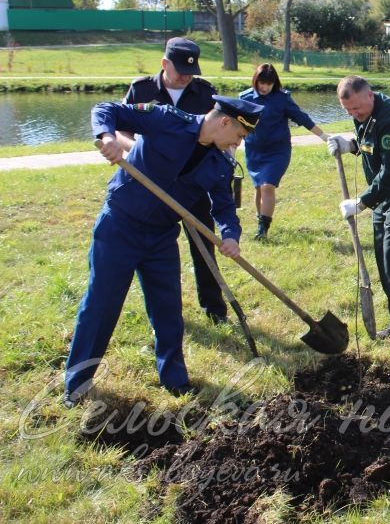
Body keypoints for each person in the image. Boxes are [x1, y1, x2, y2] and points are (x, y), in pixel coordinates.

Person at [63, 96, 262, 407]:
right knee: (101, 306)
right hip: (120, 227)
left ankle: (174, 379)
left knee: (168, 310)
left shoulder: (220, 164)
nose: (238, 143)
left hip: (161, 238)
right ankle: (76, 385)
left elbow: (224, 207)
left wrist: (230, 236)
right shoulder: (168, 120)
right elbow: (106, 109)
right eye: (239, 136)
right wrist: (107, 136)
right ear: (225, 121)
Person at [122, 37, 229, 325]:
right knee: (150, 248)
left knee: (204, 242)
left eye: (190, 71)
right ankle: (161, 311)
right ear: (164, 63)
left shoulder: (206, 94)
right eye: (180, 69)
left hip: (192, 185)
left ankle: (215, 307)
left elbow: (222, 133)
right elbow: (122, 129)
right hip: (150, 187)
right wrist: (138, 152)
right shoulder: (142, 89)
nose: (185, 76)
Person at [326, 76, 390, 338]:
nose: (354, 114)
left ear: (370, 95)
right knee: (383, 254)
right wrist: (350, 145)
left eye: (357, 109)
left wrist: (361, 203)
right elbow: (370, 145)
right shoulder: (365, 115)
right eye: (348, 111)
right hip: (383, 195)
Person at [240, 63, 328, 240]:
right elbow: (236, 124)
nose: (264, 87)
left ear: (274, 83)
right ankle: (260, 222)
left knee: (267, 186)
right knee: (258, 188)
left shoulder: (282, 99)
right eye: (261, 83)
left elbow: (302, 118)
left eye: (268, 83)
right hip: (254, 151)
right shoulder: (244, 98)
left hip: (277, 151)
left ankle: (263, 229)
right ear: (255, 81)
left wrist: (324, 136)